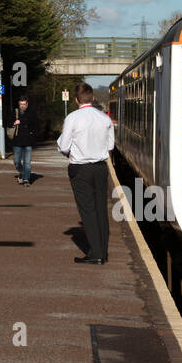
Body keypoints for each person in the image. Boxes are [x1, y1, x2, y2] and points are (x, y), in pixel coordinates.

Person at [57, 82, 114, 264]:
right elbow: (111, 145)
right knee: (100, 210)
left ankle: (95, 253)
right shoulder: (104, 119)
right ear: (93, 98)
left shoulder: (72, 118)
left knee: (88, 211)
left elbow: (63, 146)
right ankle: (103, 251)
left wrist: (71, 152)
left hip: (80, 168)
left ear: (75, 100)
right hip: (100, 167)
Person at [10, 95, 37, 186]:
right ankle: (22, 172)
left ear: (27, 104)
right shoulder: (14, 112)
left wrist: (22, 122)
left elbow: (35, 124)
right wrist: (13, 123)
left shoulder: (32, 112)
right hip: (17, 141)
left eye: (24, 104)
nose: (22, 106)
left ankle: (26, 179)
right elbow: (8, 122)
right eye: (21, 104)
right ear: (18, 104)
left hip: (28, 141)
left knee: (27, 162)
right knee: (16, 161)